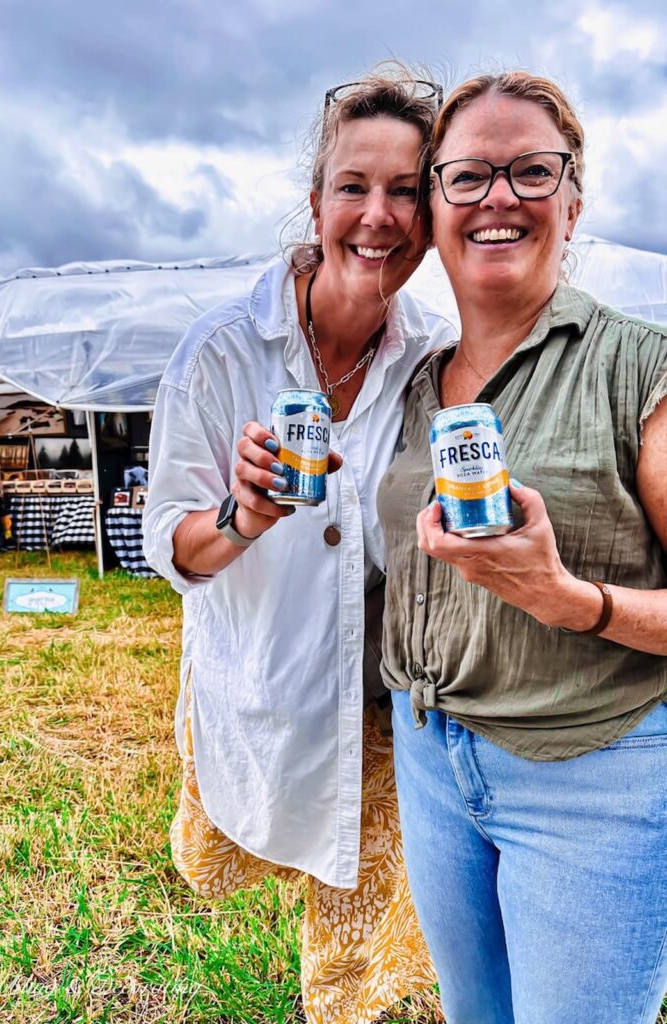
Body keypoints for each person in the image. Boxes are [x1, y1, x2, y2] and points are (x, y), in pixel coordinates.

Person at [143, 65, 457, 1024]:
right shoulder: (224, 350)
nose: (378, 216)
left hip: (380, 695)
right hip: (266, 670)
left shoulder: (437, 356)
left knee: (355, 947)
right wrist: (238, 516)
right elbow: (170, 546)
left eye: (407, 189)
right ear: (315, 200)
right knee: (239, 836)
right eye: (353, 187)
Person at [377, 71, 667, 1024]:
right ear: (434, 206)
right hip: (430, 756)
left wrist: (570, 599)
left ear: (573, 200)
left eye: (532, 171)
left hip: (596, 774)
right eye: (468, 176)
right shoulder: (409, 384)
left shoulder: (640, 364)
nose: (499, 197)